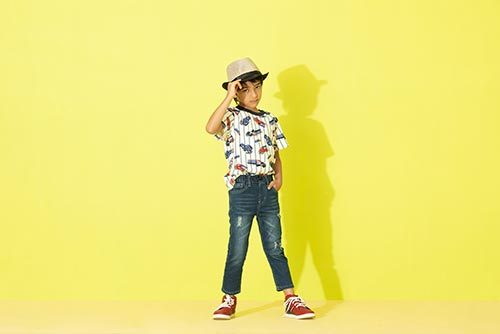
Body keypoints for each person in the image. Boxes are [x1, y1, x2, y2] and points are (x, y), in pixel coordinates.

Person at [205, 57, 315, 320]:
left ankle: (290, 297)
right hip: (242, 189)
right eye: (245, 89)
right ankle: (229, 297)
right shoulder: (230, 117)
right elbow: (210, 128)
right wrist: (229, 95)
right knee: (238, 246)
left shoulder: (270, 119)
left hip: (266, 190)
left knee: (275, 246)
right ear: (235, 92)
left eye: (257, 87)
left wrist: (279, 177)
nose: (253, 94)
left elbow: (276, 152)